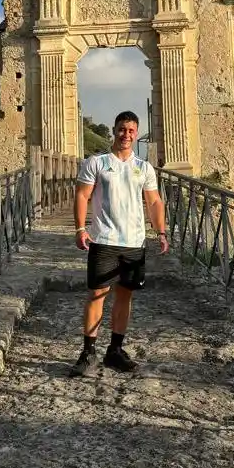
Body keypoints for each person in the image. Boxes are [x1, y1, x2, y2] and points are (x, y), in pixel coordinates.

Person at [69, 110, 168, 377]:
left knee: (125, 295)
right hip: (103, 239)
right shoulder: (97, 162)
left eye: (131, 131)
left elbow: (154, 201)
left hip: (134, 241)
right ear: (114, 130)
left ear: (136, 134)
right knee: (97, 294)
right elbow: (82, 195)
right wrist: (80, 228)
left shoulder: (144, 167)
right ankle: (88, 352)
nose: (126, 135)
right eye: (122, 129)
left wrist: (161, 231)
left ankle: (115, 350)